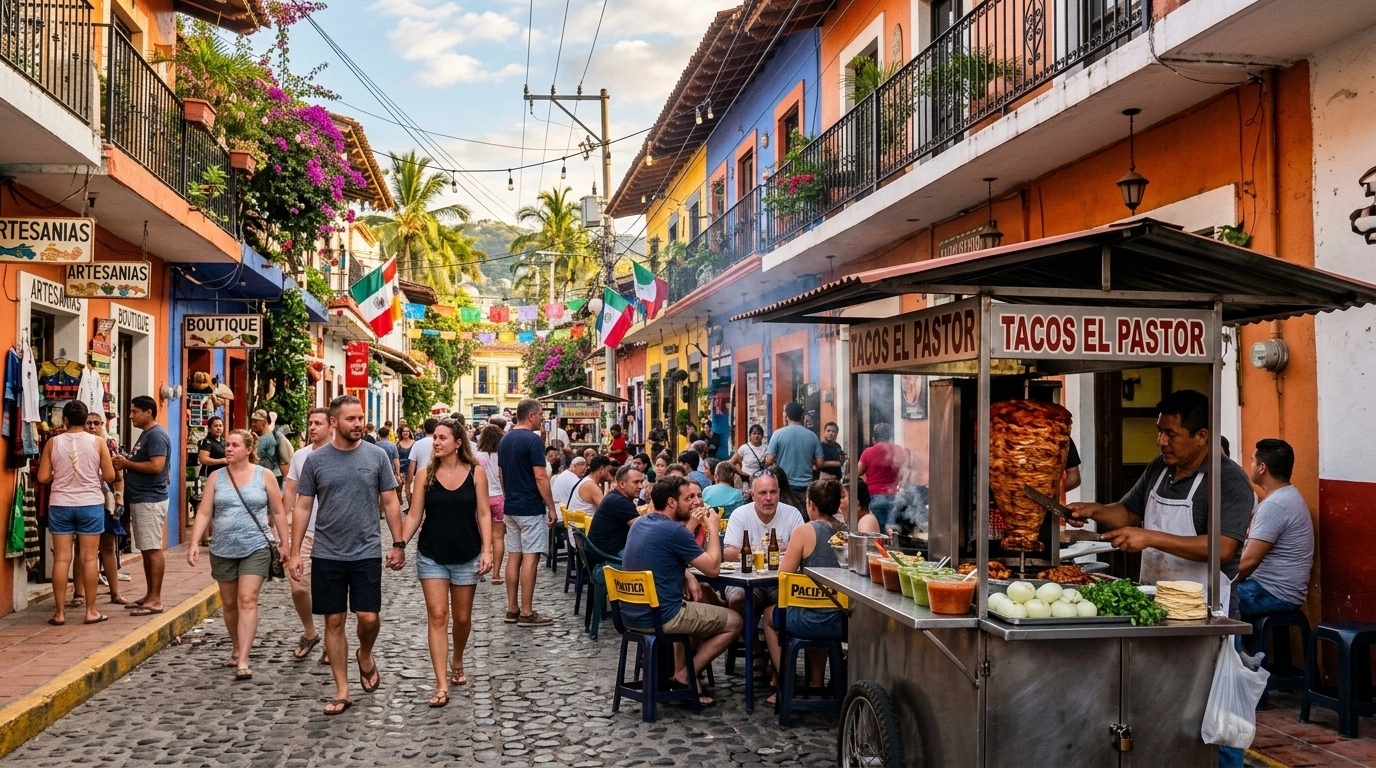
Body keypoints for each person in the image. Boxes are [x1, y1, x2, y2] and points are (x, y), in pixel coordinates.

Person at [1069, 390, 1253, 612]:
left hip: (1205, 606)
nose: (1161, 441)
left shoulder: (1229, 480)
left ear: (1201, 436)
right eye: (1159, 431)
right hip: (1154, 600)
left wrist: (1150, 538)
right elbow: (1128, 513)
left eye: (1170, 434)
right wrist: (1094, 510)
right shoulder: (1160, 466)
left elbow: (1222, 549)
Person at [287, 395, 404, 716]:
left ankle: (365, 653)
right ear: (334, 422)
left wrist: (399, 543)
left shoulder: (377, 456)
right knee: (334, 620)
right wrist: (294, 552)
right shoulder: (316, 461)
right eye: (351, 419)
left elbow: (391, 501)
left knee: (368, 617)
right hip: (327, 552)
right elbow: (303, 506)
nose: (358, 424)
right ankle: (342, 690)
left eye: (360, 418)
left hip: (366, 550)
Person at [620, 477, 742, 705]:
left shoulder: (640, 523)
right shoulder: (674, 530)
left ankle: (682, 672)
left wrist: (686, 574)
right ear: (672, 502)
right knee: (735, 621)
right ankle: (686, 674)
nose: (695, 503)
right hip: (662, 617)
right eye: (688, 498)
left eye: (697, 497)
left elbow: (663, 555)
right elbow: (713, 568)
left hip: (630, 615)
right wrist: (713, 527)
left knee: (694, 602)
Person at [400, 420, 493, 707]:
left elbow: (484, 513)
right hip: (431, 554)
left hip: (467, 553)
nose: (436, 442)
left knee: (462, 618)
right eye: (435, 438)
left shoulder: (476, 472)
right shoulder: (425, 475)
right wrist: (399, 544)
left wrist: (487, 550)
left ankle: (458, 659)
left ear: (458, 443)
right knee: (438, 616)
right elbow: (414, 515)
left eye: (442, 438)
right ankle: (441, 684)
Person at [187, 429, 289, 680]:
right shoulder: (216, 477)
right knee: (230, 604)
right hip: (223, 548)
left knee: (247, 599)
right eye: (228, 445)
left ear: (248, 449)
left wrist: (285, 543)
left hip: (256, 546)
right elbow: (204, 512)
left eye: (234, 445)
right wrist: (194, 543)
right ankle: (236, 645)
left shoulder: (264, 475)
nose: (229, 449)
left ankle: (243, 658)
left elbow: (278, 511)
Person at [763, 477, 847, 705]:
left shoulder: (804, 531)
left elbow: (784, 575)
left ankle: (786, 680)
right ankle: (816, 685)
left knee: (768, 617)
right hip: (838, 620)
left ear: (811, 504)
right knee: (818, 611)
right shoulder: (847, 532)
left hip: (807, 618)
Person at [39, 400, 117, 625]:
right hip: (90, 504)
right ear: (85, 421)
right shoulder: (98, 442)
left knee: (62, 559)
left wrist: (58, 475)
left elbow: (43, 477)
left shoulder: (53, 443)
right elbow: (110, 476)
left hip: (60, 505)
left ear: (65, 419)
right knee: (89, 558)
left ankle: (59, 613)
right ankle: (91, 611)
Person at [497, 398, 558, 628]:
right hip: (530, 507)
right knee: (530, 557)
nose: (542, 418)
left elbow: (501, 474)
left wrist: (508, 494)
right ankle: (526, 611)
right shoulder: (533, 440)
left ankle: (512, 608)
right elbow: (540, 476)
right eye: (540, 414)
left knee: (514, 555)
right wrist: (551, 506)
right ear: (531, 415)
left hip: (511, 505)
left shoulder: (505, 439)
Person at [1237, 439, 1314, 619]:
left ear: (1262, 468)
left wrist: (1218, 583)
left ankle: (1235, 640)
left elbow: (1248, 562)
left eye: (1252, 460)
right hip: (1274, 590)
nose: (1250, 465)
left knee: (1213, 600)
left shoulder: (1275, 505)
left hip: (1273, 593)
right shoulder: (1287, 496)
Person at [113, 395, 171, 616]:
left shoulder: (156, 435)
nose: (131, 416)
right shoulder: (148, 434)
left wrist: (127, 463)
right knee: (146, 549)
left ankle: (155, 599)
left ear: (148, 412)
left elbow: (157, 466)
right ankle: (149, 595)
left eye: (135, 411)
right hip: (142, 499)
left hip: (150, 500)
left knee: (152, 549)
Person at [282, 408, 330, 663]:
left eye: (318, 423)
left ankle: (333, 641)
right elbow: (290, 492)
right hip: (306, 532)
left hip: (333, 534)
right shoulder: (300, 456)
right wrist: (283, 529)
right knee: (299, 586)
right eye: (310, 423)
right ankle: (310, 632)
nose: (312, 427)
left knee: (330, 590)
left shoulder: (340, 453)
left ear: (331, 426)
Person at [722, 472, 805, 618]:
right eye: (762, 493)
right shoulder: (740, 514)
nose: (768, 498)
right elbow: (728, 553)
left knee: (794, 603)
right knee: (739, 600)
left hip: (780, 582)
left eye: (773, 492)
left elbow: (802, 553)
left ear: (779, 493)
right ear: (752, 495)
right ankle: (749, 633)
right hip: (746, 580)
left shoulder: (792, 514)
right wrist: (766, 555)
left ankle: (776, 630)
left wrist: (753, 553)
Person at [79, 413, 129, 606]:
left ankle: (115, 592)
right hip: (83, 500)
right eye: (88, 423)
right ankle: (79, 594)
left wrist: (119, 499)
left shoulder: (109, 444)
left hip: (105, 501)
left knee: (108, 546)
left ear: (103, 424)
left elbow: (118, 476)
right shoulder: (77, 444)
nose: (92, 427)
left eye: (96, 423)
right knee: (80, 549)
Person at [858, 423, 909, 531]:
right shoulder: (899, 451)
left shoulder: (868, 452)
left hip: (874, 496)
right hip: (895, 496)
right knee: (893, 530)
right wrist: (902, 485)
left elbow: (857, 472)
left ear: (874, 439)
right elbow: (907, 470)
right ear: (890, 437)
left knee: (878, 531)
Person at [587, 464, 646, 558]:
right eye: (636, 482)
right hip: (606, 559)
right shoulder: (620, 501)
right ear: (622, 484)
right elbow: (643, 529)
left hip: (600, 554)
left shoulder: (615, 496)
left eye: (641, 482)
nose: (641, 486)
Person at [475, 425, 507, 586]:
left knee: (479, 536)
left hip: (481, 498)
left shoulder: (478, 456)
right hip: (499, 497)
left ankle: (479, 570)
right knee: (498, 537)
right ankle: (496, 574)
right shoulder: (503, 455)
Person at [766, 403, 823, 493]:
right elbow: (820, 463)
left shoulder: (777, 434)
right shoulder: (812, 436)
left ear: (786, 416)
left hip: (785, 484)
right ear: (802, 416)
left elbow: (769, 461)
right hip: (806, 485)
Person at [406, 418, 439, 495]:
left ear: (424, 429)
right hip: (438, 479)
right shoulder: (440, 443)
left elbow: (411, 467)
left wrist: (408, 486)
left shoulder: (417, 444)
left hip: (421, 480)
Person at [250, 409, 285, 480]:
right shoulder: (273, 435)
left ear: (265, 422)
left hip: (267, 477)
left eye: (256, 422)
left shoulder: (263, 439)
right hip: (274, 475)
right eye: (252, 421)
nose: (253, 424)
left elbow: (253, 458)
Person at [395, 424, 416, 507]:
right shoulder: (398, 444)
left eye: (407, 431)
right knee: (398, 489)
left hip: (412, 469)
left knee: (409, 489)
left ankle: (411, 507)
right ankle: (400, 501)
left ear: (410, 432)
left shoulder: (414, 443)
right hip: (401, 469)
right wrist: (397, 472)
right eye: (404, 431)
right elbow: (396, 458)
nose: (405, 433)